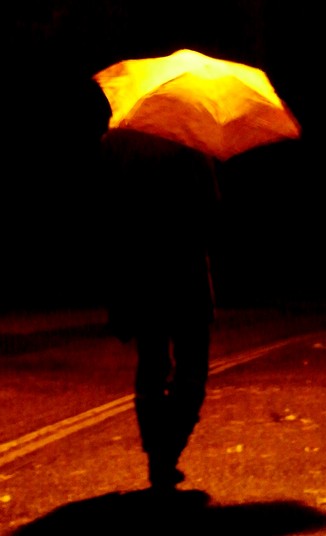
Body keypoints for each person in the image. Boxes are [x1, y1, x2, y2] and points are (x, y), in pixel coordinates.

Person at [98, 123, 220, 492]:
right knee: (192, 368)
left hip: (142, 273)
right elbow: (212, 211)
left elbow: (106, 212)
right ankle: (169, 449)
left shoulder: (119, 145)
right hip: (186, 274)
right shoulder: (193, 148)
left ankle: (156, 450)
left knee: (151, 364)